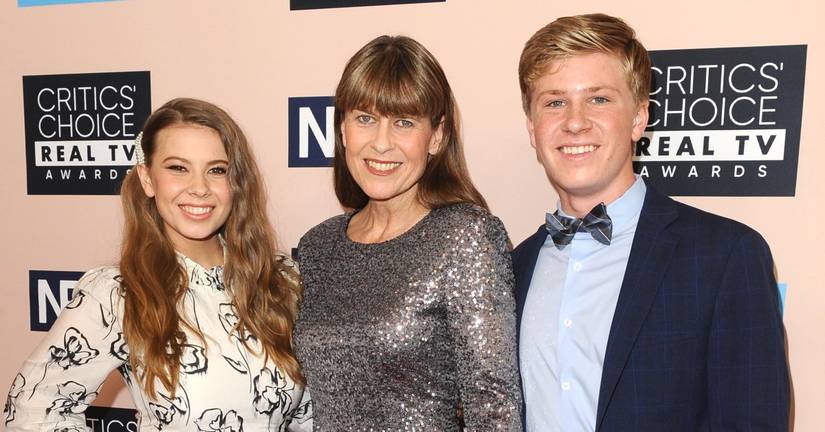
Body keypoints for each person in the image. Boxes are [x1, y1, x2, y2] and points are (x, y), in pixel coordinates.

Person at [512, 13, 790, 431]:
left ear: (639, 118)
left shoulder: (725, 256)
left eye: (599, 99)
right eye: (554, 102)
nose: (574, 121)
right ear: (533, 127)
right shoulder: (512, 269)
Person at [3, 98, 313, 431]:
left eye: (217, 170)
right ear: (148, 179)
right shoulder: (119, 293)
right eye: (178, 168)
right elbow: (32, 407)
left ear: (235, 183)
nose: (199, 188)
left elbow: (306, 416)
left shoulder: (280, 281)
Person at [293, 35, 522, 430]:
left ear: (436, 135)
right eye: (365, 118)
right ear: (343, 130)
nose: (381, 143)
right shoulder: (318, 246)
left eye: (404, 122)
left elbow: (493, 406)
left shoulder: (465, 236)